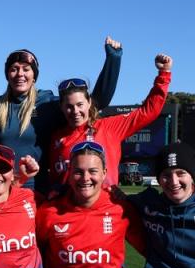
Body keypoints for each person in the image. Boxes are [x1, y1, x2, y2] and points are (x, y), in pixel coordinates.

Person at [0, 37, 122, 193]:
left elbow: (97, 101)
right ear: (7, 75)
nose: (19, 74)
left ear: (34, 76)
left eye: (26, 69)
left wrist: (113, 60)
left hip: (36, 192)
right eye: (14, 69)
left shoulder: (46, 103)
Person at [35, 141, 144, 268]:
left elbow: (148, 248)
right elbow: (35, 253)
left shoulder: (121, 208)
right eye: (78, 172)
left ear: (104, 173)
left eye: (93, 171)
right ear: (69, 174)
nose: (86, 178)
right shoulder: (49, 211)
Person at [47, 53, 172, 188]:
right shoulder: (56, 137)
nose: (75, 111)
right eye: (69, 107)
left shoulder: (109, 127)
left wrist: (163, 75)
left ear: (89, 103)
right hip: (69, 207)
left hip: (105, 205)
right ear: (62, 107)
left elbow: (148, 112)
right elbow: (55, 180)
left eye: (79, 104)